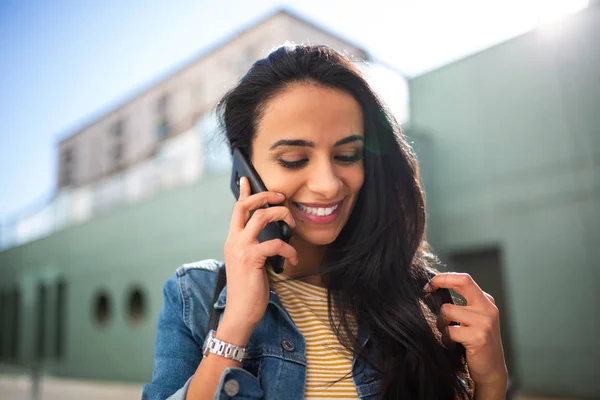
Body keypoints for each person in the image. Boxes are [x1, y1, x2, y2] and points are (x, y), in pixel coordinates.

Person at [141, 44, 508, 400]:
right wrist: (235, 323)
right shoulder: (195, 295)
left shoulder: (419, 299)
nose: (328, 184)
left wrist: (491, 383)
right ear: (244, 170)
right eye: (294, 159)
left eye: (347, 155)